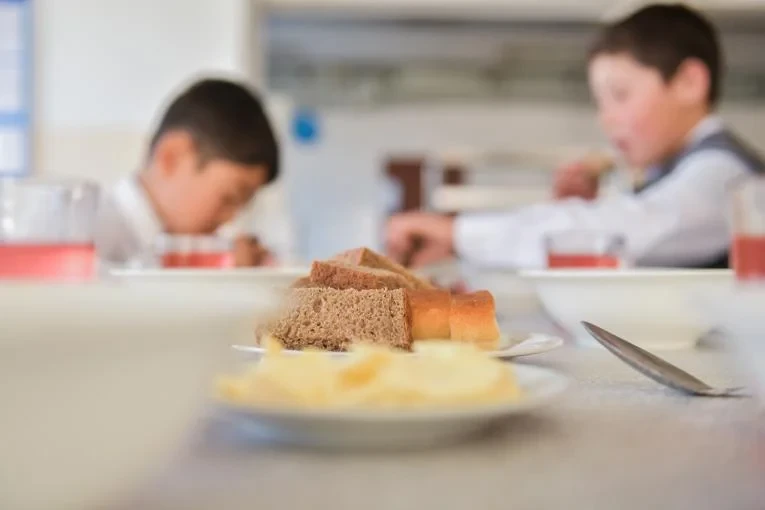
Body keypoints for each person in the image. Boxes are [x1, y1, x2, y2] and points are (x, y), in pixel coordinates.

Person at [387, 3, 764, 269]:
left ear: (689, 82)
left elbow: (631, 229)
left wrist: (457, 233)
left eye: (620, 95)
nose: (606, 119)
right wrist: (580, 210)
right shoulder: (673, 172)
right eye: (601, 103)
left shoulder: (726, 174)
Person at [96, 78, 279, 266]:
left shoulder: (170, 247)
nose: (230, 220)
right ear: (172, 156)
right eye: (228, 198)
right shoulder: (93, 239)